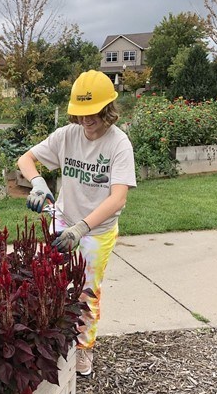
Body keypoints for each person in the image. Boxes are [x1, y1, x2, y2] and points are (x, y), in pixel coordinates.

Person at [17, 70, 137, 376]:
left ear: (107, 110)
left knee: (86, 292)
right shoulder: (66, 136)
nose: (86, 121)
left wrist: (82, 227)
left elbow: (118, 198)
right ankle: (57, 337)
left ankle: (84, 350)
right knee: (51, 281)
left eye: (93, 113)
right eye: (81, 114)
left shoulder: (118, 144)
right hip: (62, 219)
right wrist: (38, 183)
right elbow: (25, 159)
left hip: (95, 231)